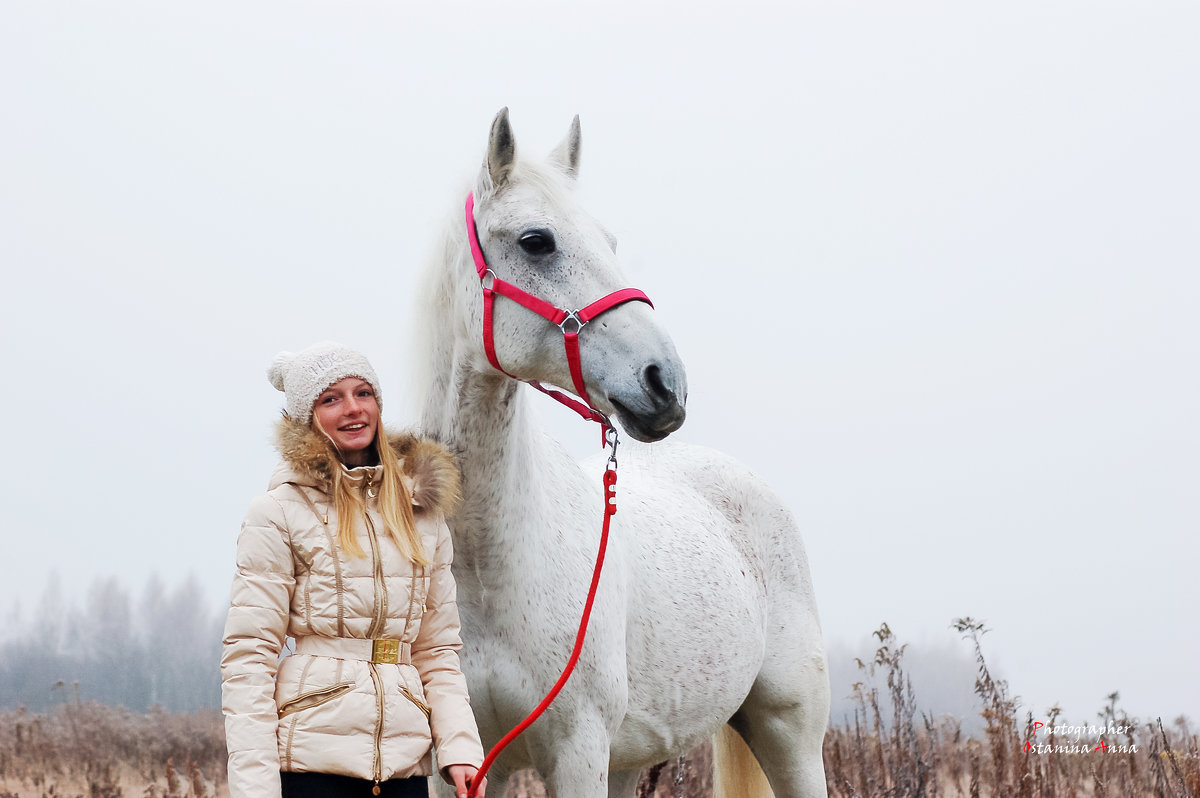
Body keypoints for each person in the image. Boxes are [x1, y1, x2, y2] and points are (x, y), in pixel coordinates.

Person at [221, 342, 486, 798]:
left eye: (363, 393)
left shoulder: (421, 511)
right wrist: (254, 787)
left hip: (405, 767)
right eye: (331, 399)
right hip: (312, 765)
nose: (352, 409)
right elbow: (250, 656)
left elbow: (438, 649)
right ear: (308, 417)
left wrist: (460, 746)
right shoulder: (278, 511)